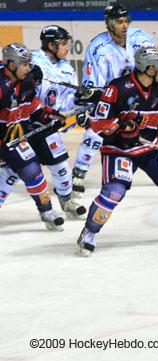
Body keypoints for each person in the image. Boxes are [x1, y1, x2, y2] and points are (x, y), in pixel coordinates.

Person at [76, 46, 158, 257]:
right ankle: (89, 232)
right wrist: (121, 129)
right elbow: (97, 121)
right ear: (149, 69)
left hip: (149, 147)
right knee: (115, 191)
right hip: (119, 151)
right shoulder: (118, 88)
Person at [0, 25, 86, 218]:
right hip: (18, 125)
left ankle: (66, 201)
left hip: (37, 123)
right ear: (50, 45)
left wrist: (78, 102)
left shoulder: (66, 69)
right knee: (12, 171)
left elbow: (53, 104)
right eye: (63, 44)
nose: (67, 48)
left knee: (60, 164)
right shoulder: (34, 61)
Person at [72, 2, 155, 196]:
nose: (124, 25)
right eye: (119, 22)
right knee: (95, 133)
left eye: (126, 21)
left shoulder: (141, 38)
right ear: (109, 24)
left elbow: (154, 65)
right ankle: (79, 173)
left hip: (137, 94)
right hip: (111, 97)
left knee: (150, 129)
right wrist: (89, 105)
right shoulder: (98, 47)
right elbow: (94, 83)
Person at [0, 43, 66, 230]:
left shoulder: (27, 81)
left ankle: (46, 211)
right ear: (11, 64)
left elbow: (33, 107)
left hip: (12, 139)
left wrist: (49, 116)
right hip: (4, 138)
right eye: (24, 64)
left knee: (32, 170)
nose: (28, 68)